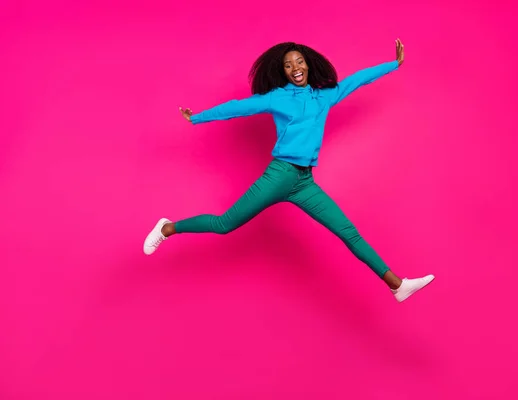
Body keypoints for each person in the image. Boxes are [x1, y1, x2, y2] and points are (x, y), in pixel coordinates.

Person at [143, 39, 434, 303]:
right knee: (224, 225)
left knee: (348, 232)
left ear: (308, 64)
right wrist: (197, 119)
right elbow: (238, 107)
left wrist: (393, 65)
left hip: (304, 182)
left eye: (299, 62)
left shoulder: (325, 96)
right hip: (280, 175)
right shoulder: (278, 98)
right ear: (283, 71)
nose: (295, 68)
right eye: (288, 65)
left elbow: (356, 80)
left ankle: (397, 285)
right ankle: (168, 228)